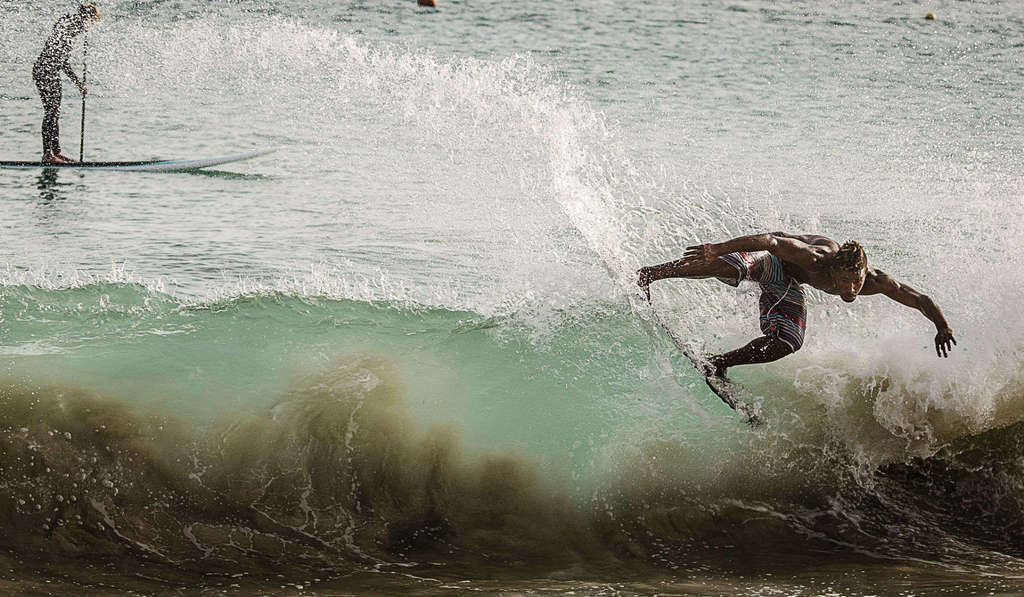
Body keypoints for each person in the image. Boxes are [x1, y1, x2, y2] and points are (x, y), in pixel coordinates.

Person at [637, 232, 956, 379]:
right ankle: (651, 274)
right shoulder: (814, 256)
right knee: (729, 267)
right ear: (832, 268)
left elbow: (919, 299)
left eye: (855, 282)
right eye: (844, 282)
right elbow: (771, 242)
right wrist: (719, 248)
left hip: (785, 284)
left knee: (789, 342)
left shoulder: (876, 281)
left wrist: (941, 326)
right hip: (770, 260)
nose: (850, 289)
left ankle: (718, 363)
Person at [33, 3, 101, 164]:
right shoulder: (69, 28)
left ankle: (56, 152)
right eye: (93, 21)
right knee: (51, 111)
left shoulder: (71, 27)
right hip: (44, 71)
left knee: (55, 111)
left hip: (50, 71)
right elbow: (62, 61)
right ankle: (47, 154)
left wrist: (78, 83)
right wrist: (78, 83)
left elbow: (62, 61)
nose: (91, 26)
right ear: (87, 18)